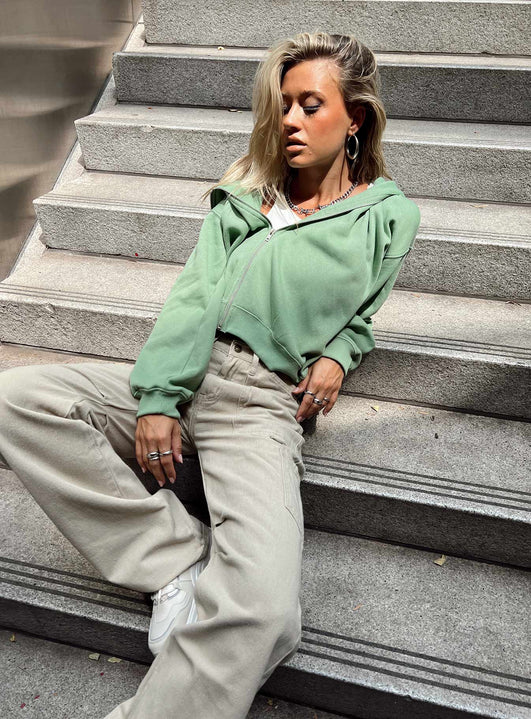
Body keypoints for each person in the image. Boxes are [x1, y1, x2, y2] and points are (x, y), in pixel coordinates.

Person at [0, 31, 420, 719]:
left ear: (355, 118)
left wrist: (339, 354)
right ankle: (169, 558)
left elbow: (363, 311)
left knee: (264, 610)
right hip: (187, 370)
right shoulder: (250, 188)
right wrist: (159, 396)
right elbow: (195, 294)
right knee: (16, 399)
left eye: (310, 104)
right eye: (282, 103)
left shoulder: (389, 215)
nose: (288, 119)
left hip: (259, 402)